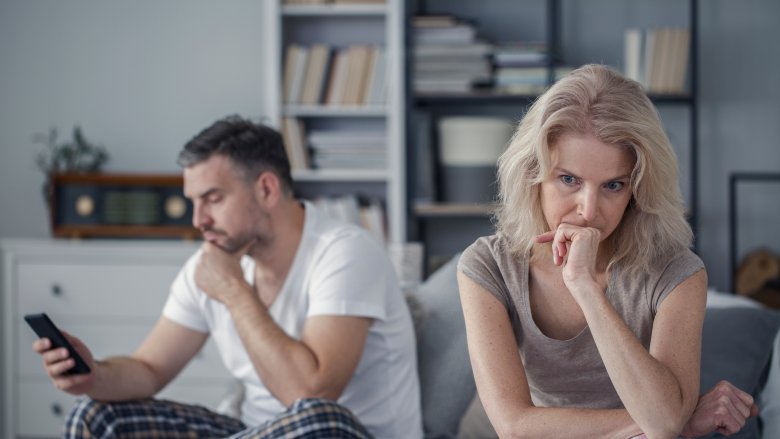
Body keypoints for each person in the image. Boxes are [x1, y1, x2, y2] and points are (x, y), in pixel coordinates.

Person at [33, 116, 422, 439]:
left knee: (320, 419)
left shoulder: (345, 252)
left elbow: (310, 392)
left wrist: (235, 292)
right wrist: (93, 373)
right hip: (256, 431)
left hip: (344, 433)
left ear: (266, 189)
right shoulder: (209, 266)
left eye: (213, 199)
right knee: (96, 416)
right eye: (193, 202)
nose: (198, 221)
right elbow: (149, 370)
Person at [457, 64, 757, 438]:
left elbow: (663, 421)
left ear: (638, 190)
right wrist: (679, 421)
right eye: (569, 180)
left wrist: (585, 287)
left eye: (613, 185)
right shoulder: (488, 266)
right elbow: (515, 426)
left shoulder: (677, 273)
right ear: (533, 173)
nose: (588, 210)